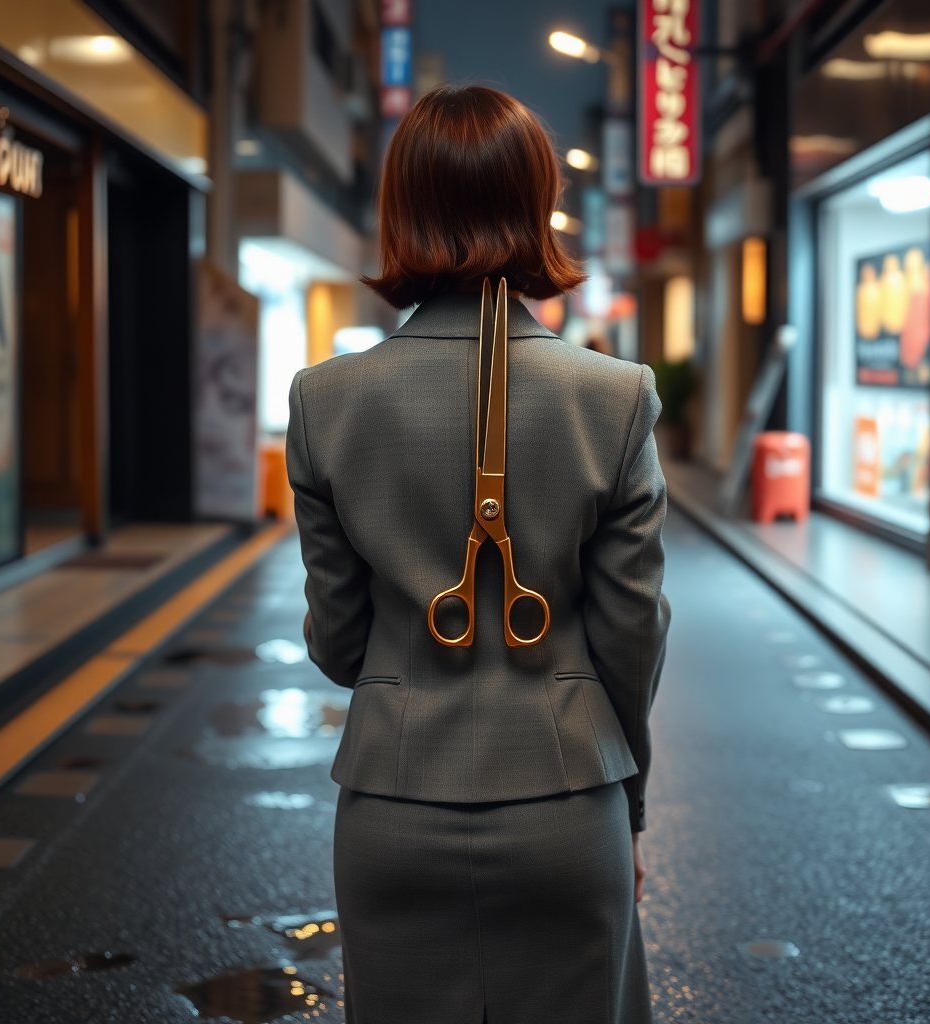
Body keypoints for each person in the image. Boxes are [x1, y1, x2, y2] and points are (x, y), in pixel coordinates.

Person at [286, 85, 670, 1024]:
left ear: (401, 209)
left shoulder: (325, 400)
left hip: (391, 810)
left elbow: (340, 647)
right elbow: (630, 640)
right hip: (566, 803)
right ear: (535, 204)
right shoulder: (615, 398)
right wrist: (631, 808)